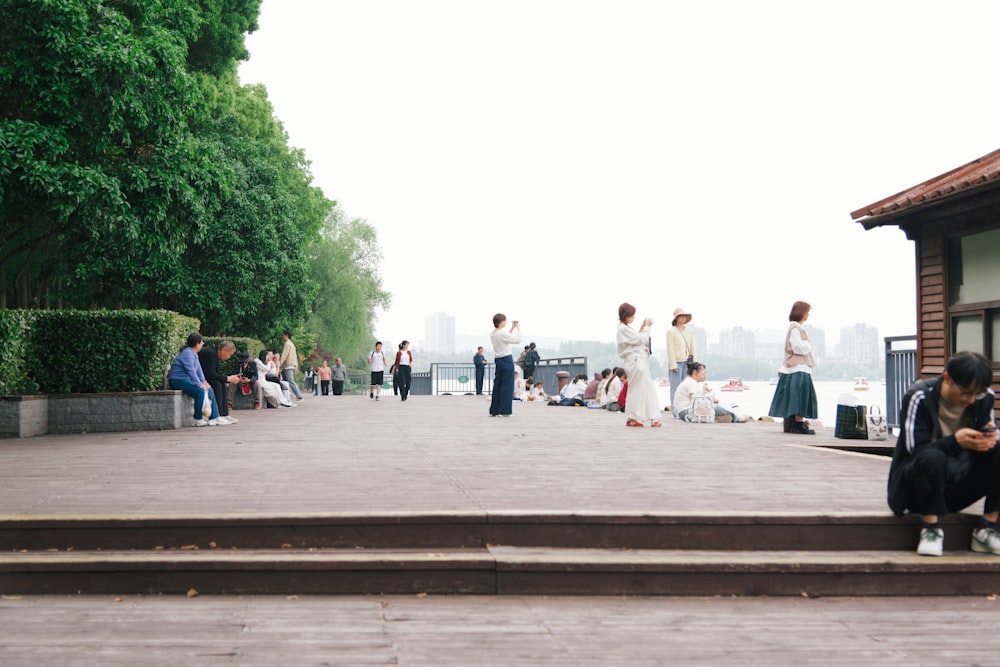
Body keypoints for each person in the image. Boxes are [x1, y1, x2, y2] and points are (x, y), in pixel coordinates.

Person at [888, 351, 1000, 557]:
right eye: (966, 392)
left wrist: (990, 440)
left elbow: (989, 436)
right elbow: (916, 452)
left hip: (957, 485)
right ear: (947, 378)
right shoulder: (919, 396)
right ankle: (930, 529)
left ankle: (986, 528)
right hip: (916, 490)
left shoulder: (984, 398)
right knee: (932, 457)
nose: (971, 399)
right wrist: (955, 441)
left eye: (978, 394)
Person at [767, 301, 818, 435]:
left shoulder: (795, 328)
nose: (808, 315)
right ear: (802, 312)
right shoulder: (796, 329)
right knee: (800, 398)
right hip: (798, 368)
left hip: (794, 368)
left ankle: (794, 425)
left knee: (793, 398)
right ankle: (798, 424)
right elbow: (797, 347)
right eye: (807, 312)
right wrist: (808, 345)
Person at [616, 303, 661, 427]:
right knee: (637, 390)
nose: (634, 317)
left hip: (638, 360)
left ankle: (650, 417)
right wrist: (647, 327)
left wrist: (643, 327)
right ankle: (634, 417)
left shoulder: (624, 328)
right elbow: (641, 339)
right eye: (632, 315)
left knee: (646, 389)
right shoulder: (623, 329)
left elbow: (636, 338)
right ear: (626, 315)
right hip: (636, 361)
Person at [167, 332, 220, 426]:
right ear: (197, 344)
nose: (203, 344)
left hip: (187, 380)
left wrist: (204, 383)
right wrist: (199, 385)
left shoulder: (194, 353)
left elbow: (199, 370)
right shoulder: (187, 354)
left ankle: (214, 417)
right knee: (200, 392)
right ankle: (198, 419)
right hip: (178, 381)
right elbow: (191, 371)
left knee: (209, 389)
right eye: (201, 342)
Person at [674, 361, 740, 423]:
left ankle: (727, 416)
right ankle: (736, 417)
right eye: (703, 373)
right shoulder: (691, 382)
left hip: (684, 411)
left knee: (716, 407)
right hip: (686, 412)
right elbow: (695, 401)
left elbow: (695, 397)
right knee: (718, 408)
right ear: (695, 372)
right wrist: (711, 398)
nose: (705, 375)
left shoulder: (689, 381)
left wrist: (704, 392)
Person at [197, 340, 240, 425]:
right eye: (229, 354)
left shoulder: (214, 353)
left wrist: (228, 378)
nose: (229, 357)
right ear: (223, 350)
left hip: (205, 376)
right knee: (217, 384)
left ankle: (224, 414)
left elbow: (215, 372)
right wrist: (228, 378)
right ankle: (218, 415)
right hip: (199, 378)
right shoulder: (210, 354)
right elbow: (211, 374)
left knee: (221, 383)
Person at [489, 313, 522, 417]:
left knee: (498, 385)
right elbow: (517, 340)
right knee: (507, 386)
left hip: (498, 360)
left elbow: (505, 338)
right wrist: (518, 329)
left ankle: (494, 409)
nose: (506, 322)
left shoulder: (493, 333)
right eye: (505, 321)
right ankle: (504, 411)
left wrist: (511, 328)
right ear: (502, 322)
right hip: (507, 359)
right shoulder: (502, 333)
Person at [666, 307, 695, 418]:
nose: (683, 318)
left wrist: (694, 363)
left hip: (687, 362)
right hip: (676, 362)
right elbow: (670, 349)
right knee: (675, 387)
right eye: (680, 316)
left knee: (685, 387)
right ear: (676, 318)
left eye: (684, 316)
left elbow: (692, 347)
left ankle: (684, 409)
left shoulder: (688, 331)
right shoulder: (671, 331)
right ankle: (675, 411)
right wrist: (673, 364)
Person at [279, 329, 303, 400]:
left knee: (290, 381)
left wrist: (279, 364)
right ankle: (285, 396)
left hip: (288, 366)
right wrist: (296, 366)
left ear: (286, 336)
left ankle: (299, 396)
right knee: (285, 381)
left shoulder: (287, 344)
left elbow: (284, 355)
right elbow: (295, 356)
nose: (282, 336)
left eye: (283, 335)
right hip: (291, 365)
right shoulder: (292, 344)